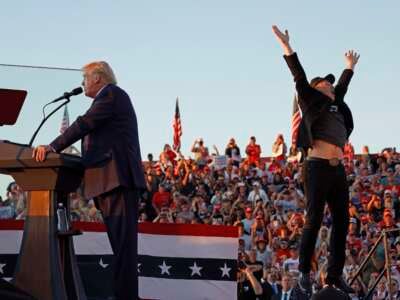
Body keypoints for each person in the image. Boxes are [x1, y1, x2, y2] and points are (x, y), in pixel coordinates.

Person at [32, 61, 145, 300]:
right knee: (121, 249)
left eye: (85, 78)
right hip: (108, 183)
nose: (82, 83)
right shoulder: (108, 98)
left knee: (124, 250)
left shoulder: (111, 94)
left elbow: (84, 123)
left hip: (118, 182)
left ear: (97, 78)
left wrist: (53, 146)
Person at [272, 25, 360, 295]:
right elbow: (298, 75)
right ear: (317, 89)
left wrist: (350, 68)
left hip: (336, 169)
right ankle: (304, 272)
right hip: (317, 166)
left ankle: (334, 275)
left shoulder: (335, 102)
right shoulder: (311, 101)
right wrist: (287, 47)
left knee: (343, 222)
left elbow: (342, 87)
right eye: (327, 83)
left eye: (332, 85)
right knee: (313, 220)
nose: (332, 86)